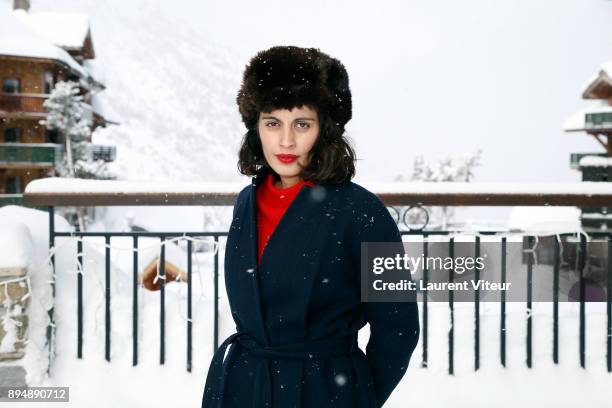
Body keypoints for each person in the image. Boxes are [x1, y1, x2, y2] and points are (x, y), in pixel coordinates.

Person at [202, 45, 419, 408]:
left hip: (325, 392)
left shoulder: (364, 212)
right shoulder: (246, 202)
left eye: (302, 124)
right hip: (245, 388)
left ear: (325, 130)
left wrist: (352, 395)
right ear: (256, 128)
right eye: (273, 123)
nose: (286, 141)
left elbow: (398, 329)